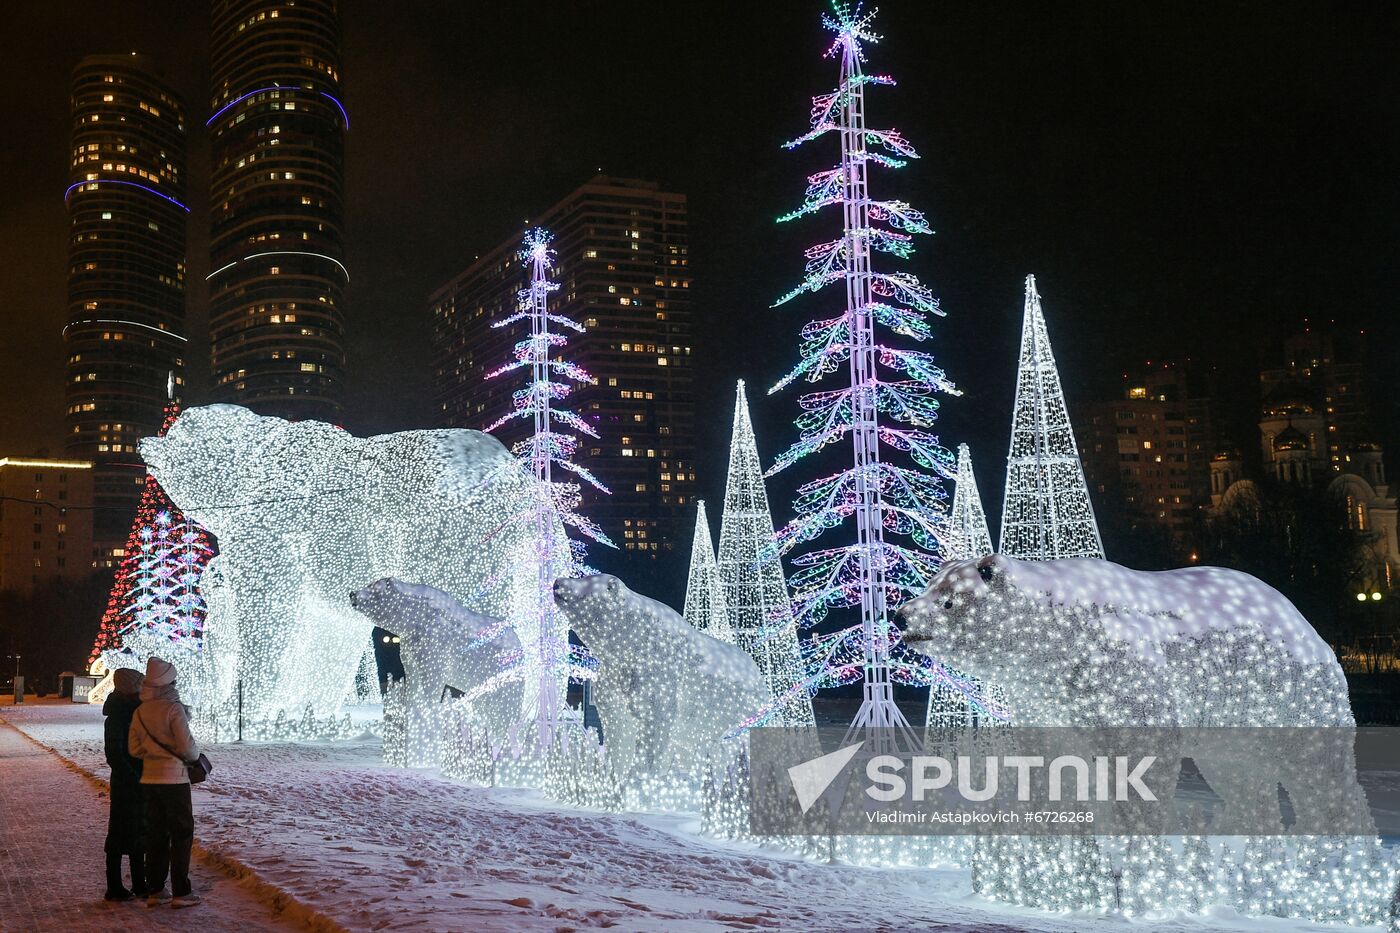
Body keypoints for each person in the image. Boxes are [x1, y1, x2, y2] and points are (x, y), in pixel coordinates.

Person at [128, 657, 201, 909]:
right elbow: (188, 749)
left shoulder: (140, 711)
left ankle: (156, 890)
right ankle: (182, 891)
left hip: (149, 779)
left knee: (156, 834)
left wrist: (153, 755)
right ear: (169, 682)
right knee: (181, 833)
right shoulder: (173, 708)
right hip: (175, 780)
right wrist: (192, 756)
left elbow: (134, 749)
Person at [103, 667, 146, 900]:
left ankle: (140, 882)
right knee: (119, 834)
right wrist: (133, 777)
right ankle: (114, 886)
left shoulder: (133, 712)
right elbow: (114, 755)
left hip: (138, 779)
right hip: (125, 784)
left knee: (139, 832)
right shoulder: (117, 717)